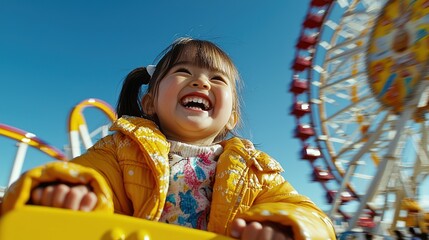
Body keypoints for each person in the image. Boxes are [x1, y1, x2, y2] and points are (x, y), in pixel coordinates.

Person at [1, 37, 336, 239]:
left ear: (231, 116)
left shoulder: (255, 171)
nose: (201, 83)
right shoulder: (121, 148)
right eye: (183, 72)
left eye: (216, 79)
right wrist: (77, 190)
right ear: (149, 102)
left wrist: (285, 226)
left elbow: (304, 211)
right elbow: (94, 173)